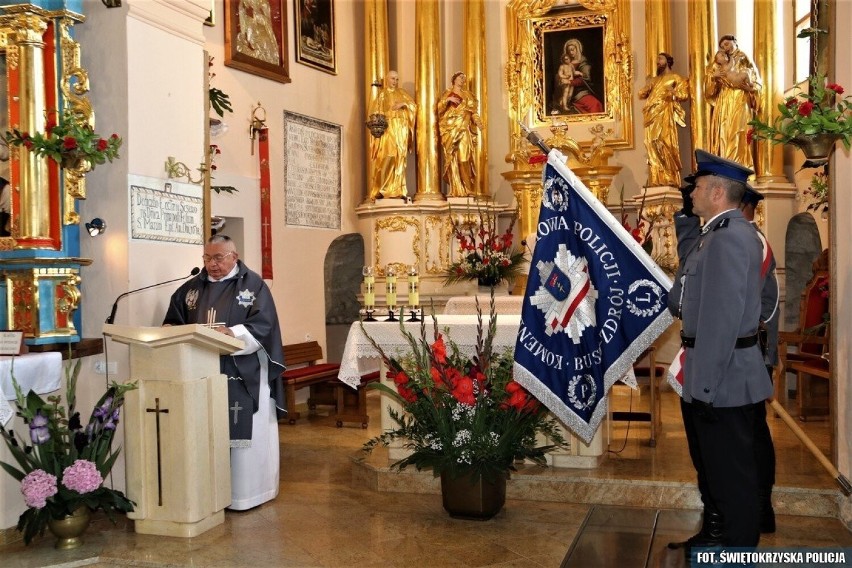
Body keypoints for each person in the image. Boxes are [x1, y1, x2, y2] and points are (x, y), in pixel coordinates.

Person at [666, 150, 772, 555]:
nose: (690, 193)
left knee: (733, 476)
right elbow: (685, 298)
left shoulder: (730, 238)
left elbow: (721, 321)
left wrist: (704, 386)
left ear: (715, 191)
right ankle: (717, 539)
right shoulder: (715, 233)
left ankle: (737, 552)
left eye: (695, 187)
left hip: (722, 377)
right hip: (712, 374)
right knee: (713, 469)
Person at [163, 234, 286, 511]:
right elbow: (174, 320)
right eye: (207, 258)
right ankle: (209, 495)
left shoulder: (253, 286)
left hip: (244, 372)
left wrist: (232, 333)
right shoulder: (191, 289)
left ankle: (249, 494)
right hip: (201, 372)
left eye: (218, 258)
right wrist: (171, 329)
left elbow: (264, 325)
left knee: (245, 441)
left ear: (234, 256)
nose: (212, 264)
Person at [740, 186, 779, 534]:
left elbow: (766, 305)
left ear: (747, 208)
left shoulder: (755, 242)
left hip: (754, 352)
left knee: (753, 432)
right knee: (744, 432)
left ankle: (762, 506)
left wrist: (764, 355)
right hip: (746, 353)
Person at [705, 35, 762, 170]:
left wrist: (750, 88)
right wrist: (713, 79)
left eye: (727, 43)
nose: (726, 47)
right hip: (724, 100)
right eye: (723, 46)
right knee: (725, 131)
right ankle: (726, 165)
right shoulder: (717, 64)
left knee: (740, 130)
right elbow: (709, 91)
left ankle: (741, 166)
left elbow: (755, 80)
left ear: (734, 42)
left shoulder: (743, 57)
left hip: (740, 98)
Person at [638, 52, 690, 187]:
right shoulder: (654, 80)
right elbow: (641, 94)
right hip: (651, 114)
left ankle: (669, 177)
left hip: (665, 112)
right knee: (651, 143)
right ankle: (656, 178)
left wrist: (672, 94)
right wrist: (646, 87)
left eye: (660, 59)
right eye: (657, 60)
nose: (657, 62)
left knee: (663, 142)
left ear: (668, 61)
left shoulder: (675, 77)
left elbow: (684, 94)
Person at [367, 71, 417, 201]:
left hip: (401, 128)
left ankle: (397, 190)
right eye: (393, 79)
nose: (395, 81)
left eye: (397, 79)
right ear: (387, 80)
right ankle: (382, 189)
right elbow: (375, 113)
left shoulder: (402, 93)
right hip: (389, 128)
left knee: (399, 157)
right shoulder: (382, 94)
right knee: (388, 156)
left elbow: (413, 106)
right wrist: (389, 112)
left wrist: (403, 104)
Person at [437, 72, 483, 197]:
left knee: (464, 159)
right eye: (460, 78)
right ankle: (456, 189)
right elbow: (439, 109)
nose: (462, 80)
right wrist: (448, 100)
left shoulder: (468, 95)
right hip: (451, 129)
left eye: (464, 78)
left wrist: (478, 121)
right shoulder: (447, 93)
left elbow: (473, 112)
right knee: (453, 159)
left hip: (464, 129)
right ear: (454, 79)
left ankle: (468, 188)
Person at [556, 38, 603, 114]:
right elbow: (560, 75)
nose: (571, 52)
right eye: (569, 51)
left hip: (581, 92)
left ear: (577, 49)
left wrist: (570, 82)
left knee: (595, 104)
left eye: (572, 49)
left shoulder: (583, 62)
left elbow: (586, 78)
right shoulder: (566, 63)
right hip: (567, 91)